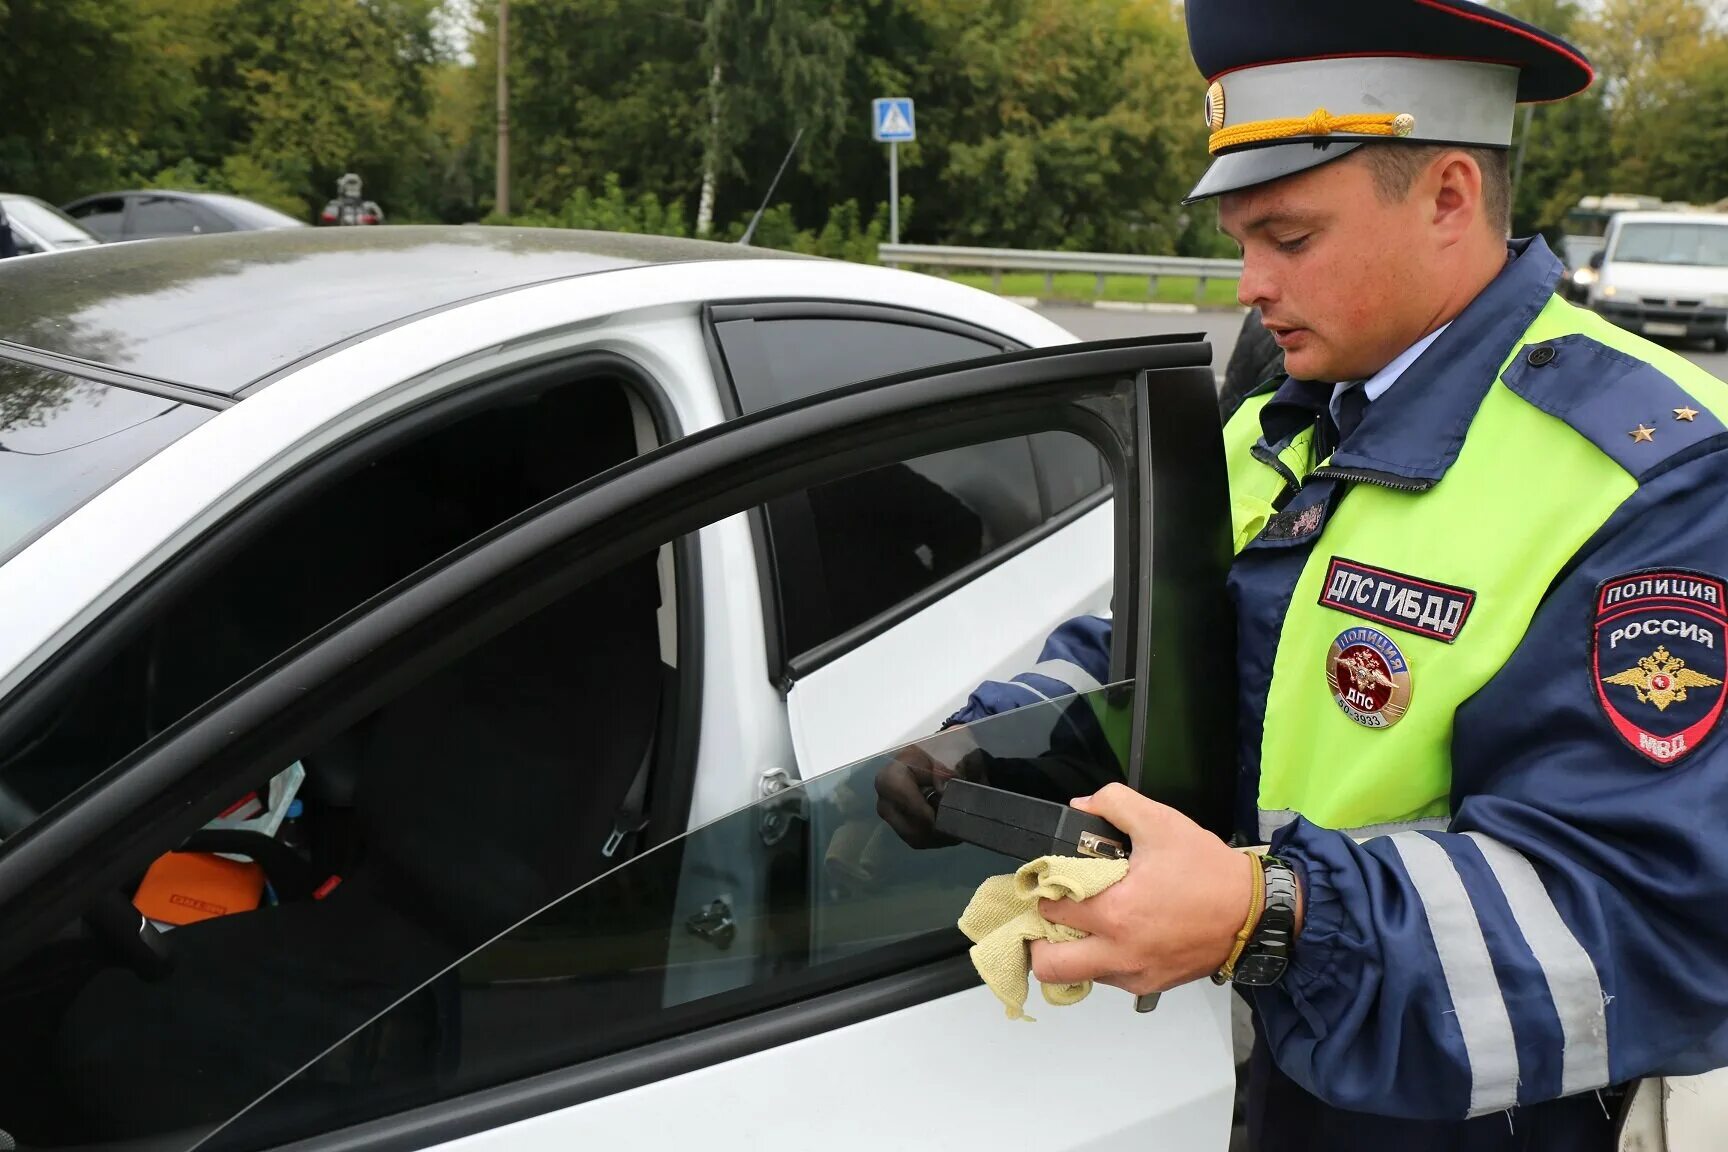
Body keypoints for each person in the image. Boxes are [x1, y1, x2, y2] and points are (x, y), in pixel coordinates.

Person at [880, 2, 1728, 1148]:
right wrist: (990, 742)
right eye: (1239, 241)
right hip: (1253, 1071)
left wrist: (1269, 916)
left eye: (1289, 239)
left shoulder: (1650, 474)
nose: (1248, 287)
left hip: (1457, 1114)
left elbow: (1645, 920)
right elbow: (1172, 649)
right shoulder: (1289, 418)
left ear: (1447, 200)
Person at [319, 172, 384, 226]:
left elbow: (379, 218)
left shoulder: (369, 206)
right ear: (342, 187)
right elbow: (327, 217)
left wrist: (372, 219)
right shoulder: (335, 204)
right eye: (349, 184)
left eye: (354, 184)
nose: (352, 187)